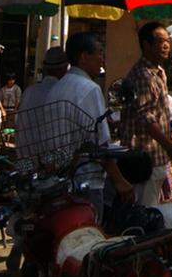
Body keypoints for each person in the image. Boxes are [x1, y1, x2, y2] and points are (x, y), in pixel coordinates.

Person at [49, 32, 133, 218]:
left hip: (59, 180)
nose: (102, 59)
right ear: (84, 57)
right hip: (86, 180)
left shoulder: (57, 87)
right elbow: (100, 143)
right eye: (99, 53)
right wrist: (119, 181)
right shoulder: (89, 89)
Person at [119, 22, 172, 206]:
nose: (166, 45)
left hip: (157, 158)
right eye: (160, 41)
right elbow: (147, 118)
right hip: (144, 159)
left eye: (167, 41)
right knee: (145, 209)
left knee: (157, 207)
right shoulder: (142, 75)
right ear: (146, 45)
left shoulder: (159, 72)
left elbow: (161, 114)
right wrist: (170, 146)